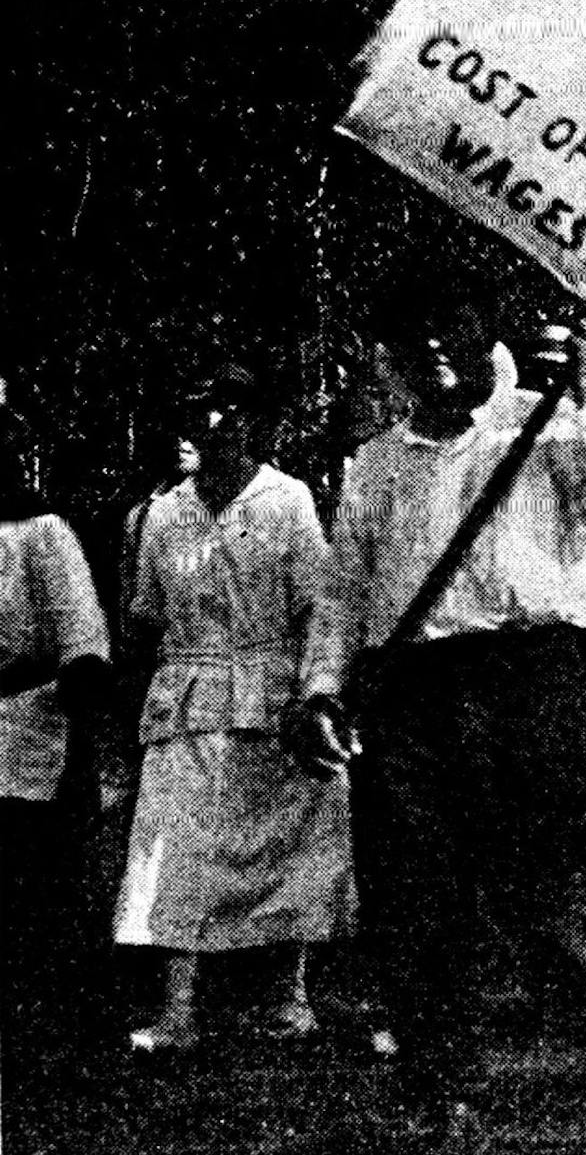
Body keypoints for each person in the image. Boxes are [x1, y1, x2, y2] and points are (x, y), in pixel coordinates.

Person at [292, 300, 586, 1146]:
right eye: (411, 343)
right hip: (414, 690)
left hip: (531, 679)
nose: (435, 355)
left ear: (485, 336)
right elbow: (344, 591)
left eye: (453, 331)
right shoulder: (375, 463)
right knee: (418, 897)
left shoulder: (549, 427)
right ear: (385, 359)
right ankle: (441, 1083)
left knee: (559, 889)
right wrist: (320, 690)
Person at [114, 365, 355, 1053]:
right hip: (187, 698)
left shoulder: (287, 500)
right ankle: (177, 1010)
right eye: (202, 409)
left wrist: (318, 692)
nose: (216, 424)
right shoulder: (162, 513)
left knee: (295, 844)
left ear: (254, 422)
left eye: (230, 409)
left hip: (274, 696)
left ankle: (290, 998)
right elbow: (147, 616)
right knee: (175, 847)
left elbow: (319, 605)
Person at [1, 408, 114, 1078]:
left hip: (25, 730)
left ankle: (52, 1038)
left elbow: (81, 641)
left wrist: (80, 744)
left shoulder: (41, 533)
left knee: (33, 891)